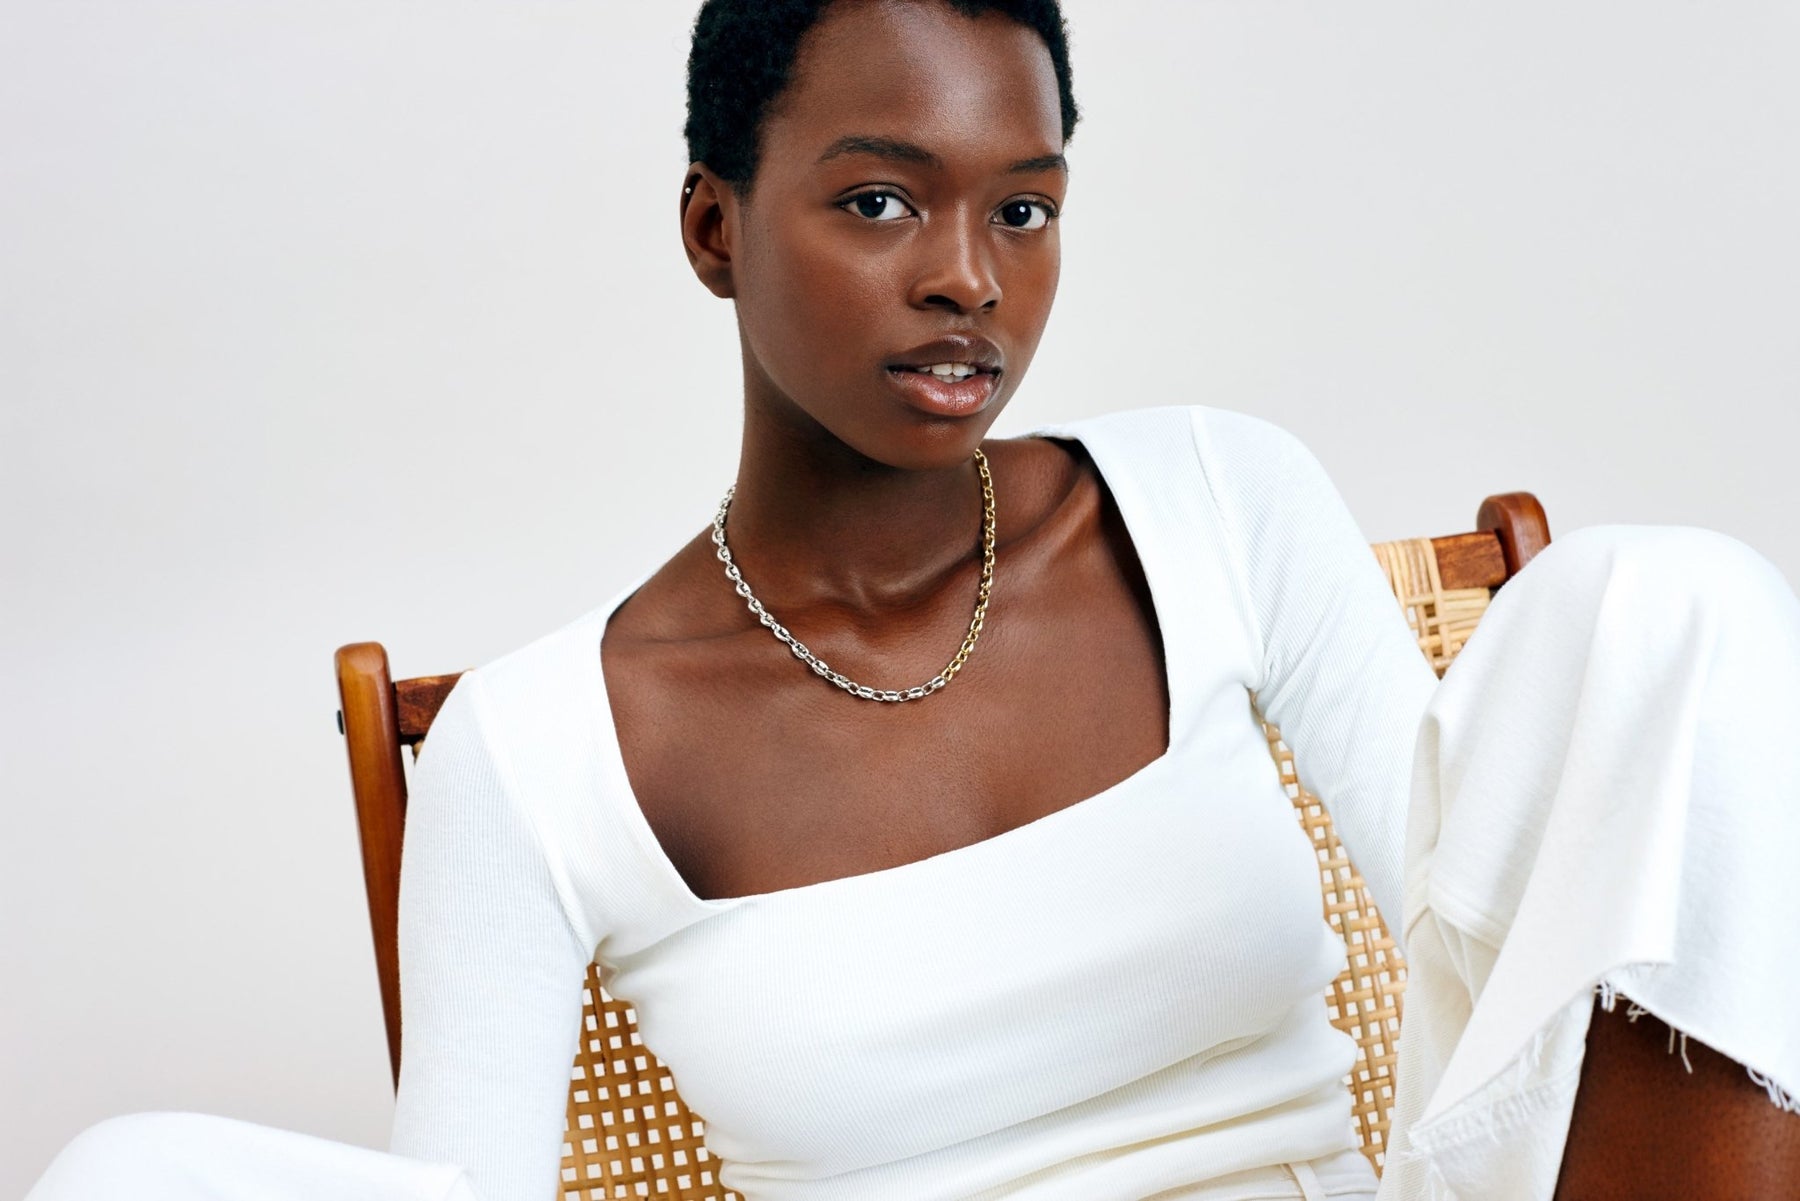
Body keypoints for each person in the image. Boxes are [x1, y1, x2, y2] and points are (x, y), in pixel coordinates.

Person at [24, 2, 1800, 1199]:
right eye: (880, 200)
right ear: (715, 230)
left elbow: (1475, 921)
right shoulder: (539, 750)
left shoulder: (1216, 501)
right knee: (124, 1176)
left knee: (1670, 604)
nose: (968, 280)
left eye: (1023, 211)